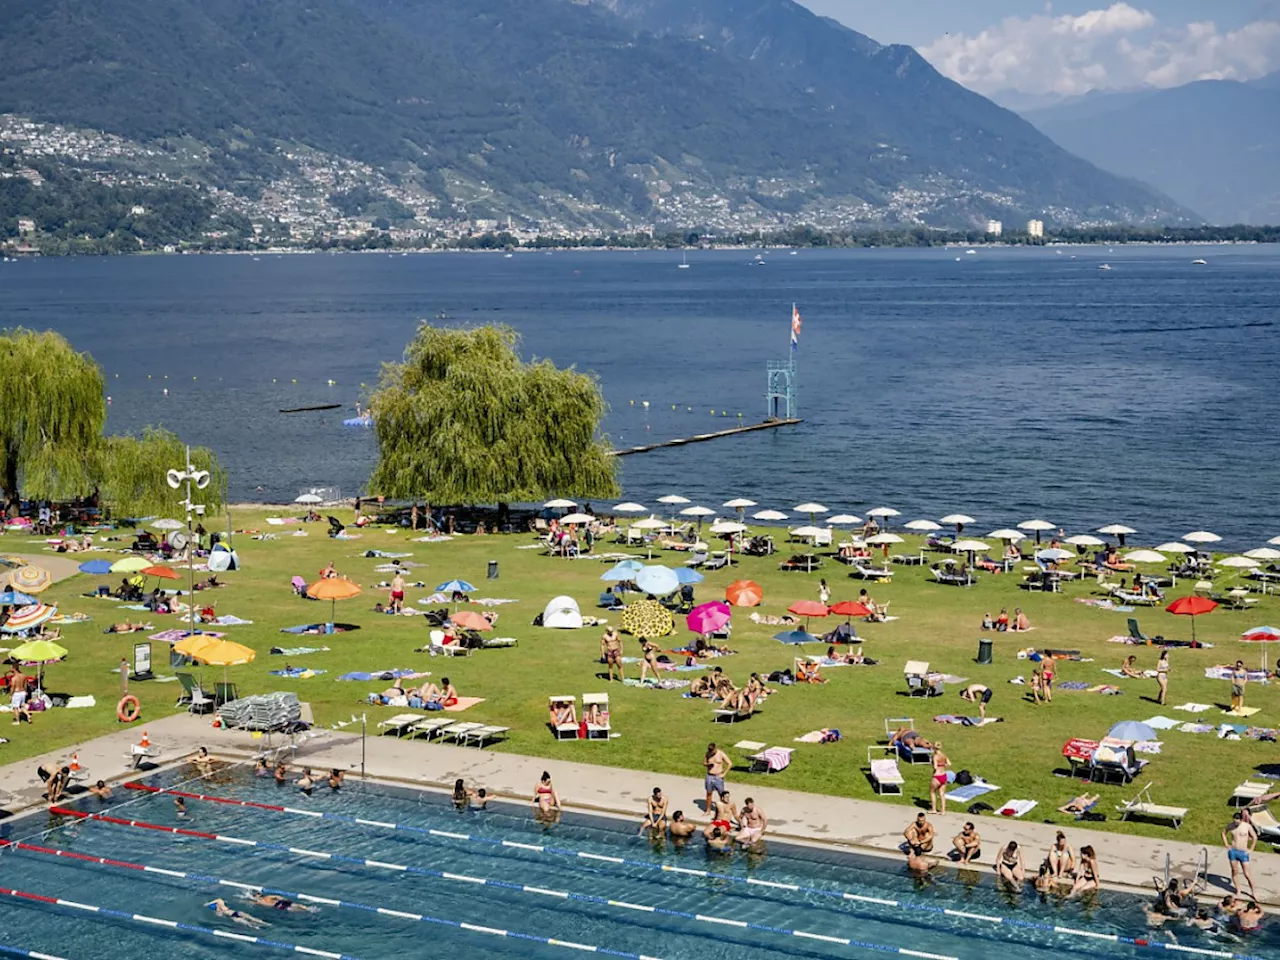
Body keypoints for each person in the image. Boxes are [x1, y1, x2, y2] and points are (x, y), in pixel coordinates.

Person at [1223, 810, 1259, 901]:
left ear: (1241, 820)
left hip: (1243, 852)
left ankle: (1253, 892)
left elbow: (1254, 837)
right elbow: (1223, 833)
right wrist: (1226, 844)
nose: (1236, 822)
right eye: (1235, 820)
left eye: (1237, 820)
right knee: (1234, 870)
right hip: (1233, 851)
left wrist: (1251, 849)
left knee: (1247, 873)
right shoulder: (1230, 826)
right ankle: (1238, 890)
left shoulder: (1247, 826)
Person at [704, 742, 731, 815]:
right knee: (709, 793)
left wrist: (724, 774)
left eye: (712, 751)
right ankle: (708, 810)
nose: (711, 752)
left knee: (721, 794)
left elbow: (729, 764)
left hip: (718, 776)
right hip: (709, 776)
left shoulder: (721, 754)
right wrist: (708, 764)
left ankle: (723, 810)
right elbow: (704, 763)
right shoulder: (707, 754)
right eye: (710, 751)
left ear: (715, 749)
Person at [929, 742, 950, 814]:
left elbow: (935, 767)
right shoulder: (944, 755)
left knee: (932, 792)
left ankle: (934, 809)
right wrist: (943, 765)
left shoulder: (935, 756)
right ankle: (943, 810)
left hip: (937, 776)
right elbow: (949, 764)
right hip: (943, 775)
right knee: (942, 794)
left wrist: (932, 764)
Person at [248, 891, 315, 913]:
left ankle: (308, 909)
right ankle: (308, 910)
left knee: (294, 906)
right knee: (293, 908)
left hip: (279, 904)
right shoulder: (258, 902)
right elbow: (249, 902)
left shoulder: (267, 897)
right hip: (278, 906)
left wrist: (284, 899)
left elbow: (277, 896)